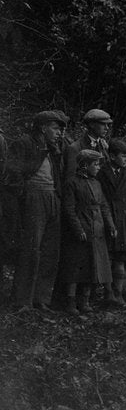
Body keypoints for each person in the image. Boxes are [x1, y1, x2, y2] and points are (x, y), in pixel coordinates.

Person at [8, 111, 67, 312]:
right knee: (31, 249)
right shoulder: (23, 143)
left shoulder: (54, 148)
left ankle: (41, 299)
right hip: (33, 198)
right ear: (43, 127)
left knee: (50, 251)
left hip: (52, 198)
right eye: (55, 128)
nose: (59, 133)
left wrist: (57, 196)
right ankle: (22, 300)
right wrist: (25, 196)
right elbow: (12, 175)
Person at [62, 150, 116, 314]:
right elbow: (69, 209)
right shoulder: (72, 182)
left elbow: (104, 206)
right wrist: (78, 229)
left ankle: (84, 301)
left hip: (97, 229)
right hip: (82, 227)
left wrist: (111, 226)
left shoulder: (97, 183)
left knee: (92, 266)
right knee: (76, 266)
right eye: (96, 164)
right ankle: (71, 303)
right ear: (85, 165)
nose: (98, 167)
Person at [98, 140, 126, 306]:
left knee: (121, 260)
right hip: (106, 221)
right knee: (107, 259)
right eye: (123, 156)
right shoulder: (102, 173)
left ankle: (119, 294)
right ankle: (108, 294)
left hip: (124, 222)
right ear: (111, 156)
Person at [63, 108, 112, 183]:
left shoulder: (104, 146)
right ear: (92, 125)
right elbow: (71, 179)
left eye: (107, 124)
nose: (107, 128)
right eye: (103, 124)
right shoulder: (75, 148)